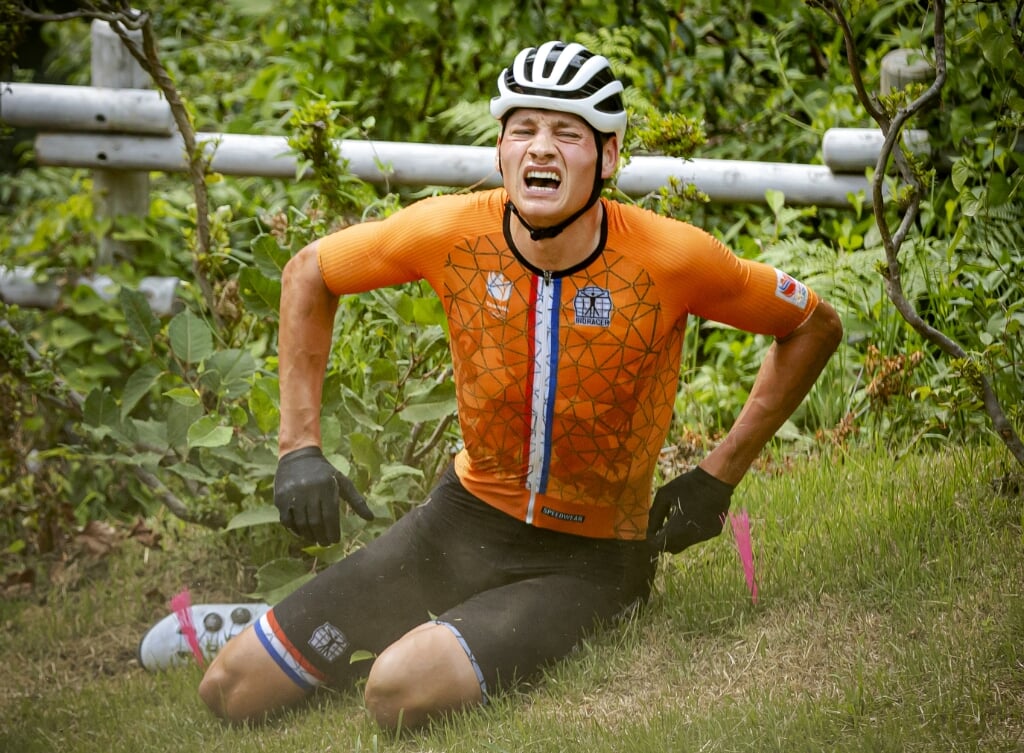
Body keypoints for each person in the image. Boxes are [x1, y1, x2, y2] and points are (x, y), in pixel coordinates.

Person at [197, 40, 843, 729]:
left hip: (591, 556)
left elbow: (814, 325)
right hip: (461, 521)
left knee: (394, 692)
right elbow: (308, 272)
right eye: (523, 130)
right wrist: (299, 447)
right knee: (230, 689)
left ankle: (422, 636)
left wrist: (719, 475)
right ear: (501, 151)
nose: (541, 148)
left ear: (610, 156)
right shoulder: (452, 230)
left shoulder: (671, 257)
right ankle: (331, 625)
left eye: (567, 133)